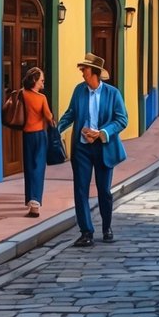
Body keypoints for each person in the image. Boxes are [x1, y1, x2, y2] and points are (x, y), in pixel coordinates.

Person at [57, 53, 129, 246]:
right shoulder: (79, 91)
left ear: (95, 73)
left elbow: (122, 119)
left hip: (104, 147)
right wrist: (57, 129)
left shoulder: (112, 93)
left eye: (85, 70)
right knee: (80, 189)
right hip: (82, 148)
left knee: (104, 190)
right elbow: (71, 113)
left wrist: (102, 133)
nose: (82, 73)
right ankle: (86, 232)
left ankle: (107, 227)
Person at [19, 66, 57, 218]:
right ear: (34, 80)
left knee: (28, 167)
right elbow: (48, 116)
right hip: (39, 135)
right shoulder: (41, 98)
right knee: (38, 167)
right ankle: (35, 202)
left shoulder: (22, 94)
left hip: (26, 134)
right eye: (41, 80)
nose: (43, 83)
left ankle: (29, 199)